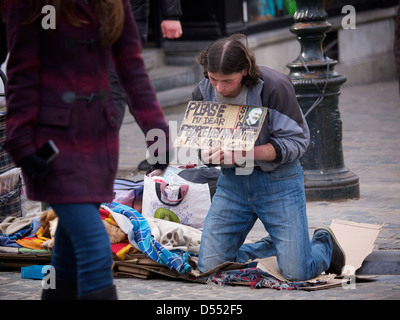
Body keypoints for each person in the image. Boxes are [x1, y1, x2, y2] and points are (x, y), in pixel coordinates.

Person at [1, 0, 170, 299]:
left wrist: (159, 136)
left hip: (99, 141)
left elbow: (132, 70)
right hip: (50, 146)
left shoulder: (114, 3)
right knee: (95, 248)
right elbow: (21, 73)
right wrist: (21, 142)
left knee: (65, 259)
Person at [193, 34, 345, 281]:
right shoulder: (203, 91)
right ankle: (277, 245)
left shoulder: (275, 86)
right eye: (213, 79)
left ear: (244, 70)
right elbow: (200, 143)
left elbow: (297, 143)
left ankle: (323, 242)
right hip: (233, 184)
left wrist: (245, 153)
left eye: (227, 81)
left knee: (297, 272)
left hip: (279, 182)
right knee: (209, 266)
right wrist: (206, 154)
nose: (219, 87)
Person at [109, 0, 182, 171]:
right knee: (127, 90)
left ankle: (99, 157)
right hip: (87, 26)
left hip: (125, 19)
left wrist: (171, 14)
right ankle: (162, 151)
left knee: (117, 86)